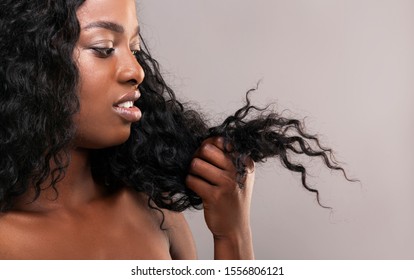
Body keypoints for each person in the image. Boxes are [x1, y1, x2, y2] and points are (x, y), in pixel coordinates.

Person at [0, 0, 350, 259]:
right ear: (31, 68)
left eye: (135, 48)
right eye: (104, 48)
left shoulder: (154, 211)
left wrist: (232, 233)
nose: (136, 70)